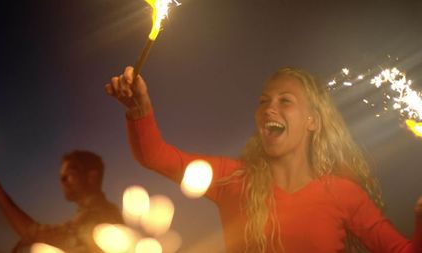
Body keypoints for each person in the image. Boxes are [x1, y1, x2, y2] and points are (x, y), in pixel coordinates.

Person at [105, 66, 422, 253]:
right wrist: (138, 108)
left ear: (312, 120)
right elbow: (155, 156)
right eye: (263, 102)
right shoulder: (232, 179)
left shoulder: (343, 194)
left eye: (285, 101)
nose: (270, 108)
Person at [0, 150, 123, 253]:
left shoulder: (99, 216)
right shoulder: (96, 213)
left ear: (92, 177)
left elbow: (37, 235)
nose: (62, 181)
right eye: (61, 177)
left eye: (69, 175)